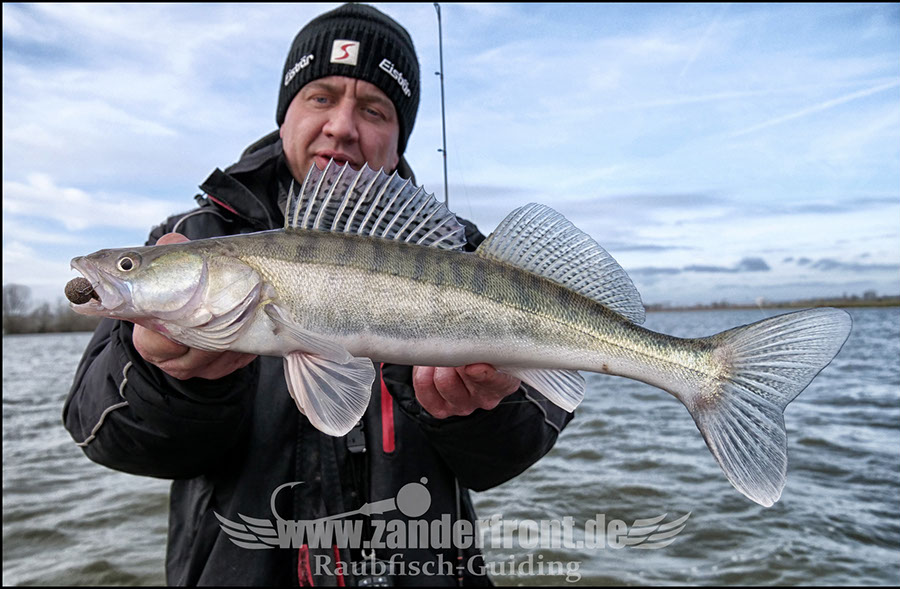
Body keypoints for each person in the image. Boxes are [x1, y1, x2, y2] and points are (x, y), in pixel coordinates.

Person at [64, 3, 572, 586]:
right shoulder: (193, 238)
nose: (342, 126)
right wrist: (169, 382)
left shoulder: (467, 256)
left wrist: (480, 408)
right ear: (286, 115)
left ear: (399, 134)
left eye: (374, 108)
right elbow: (99, 431)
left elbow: (514, 448)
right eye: (321, 97)